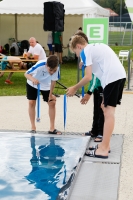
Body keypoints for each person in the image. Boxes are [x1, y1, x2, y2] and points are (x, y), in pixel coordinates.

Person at [67, 35, 126, 159]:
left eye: (76, 53)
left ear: (79, 46)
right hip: (117, 76)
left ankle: (103, 149)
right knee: (104, 108)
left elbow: (88, 77)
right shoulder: (96, 47)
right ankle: (105, 145)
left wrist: (74, 88)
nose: (77, 56)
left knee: (109, 112)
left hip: (112, 78)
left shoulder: (86, 51)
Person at [24, 55, 62, 134]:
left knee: (52, 103)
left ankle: (52, 128)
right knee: (31, 102)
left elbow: (53, 82)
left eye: (54, 70)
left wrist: (50, 95)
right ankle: (33, 127)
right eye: (50, 70)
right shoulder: (40, 65)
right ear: (46, 65)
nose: (52, 72)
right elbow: (26, 74)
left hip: (46, 85)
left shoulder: (56, 68)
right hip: (32, 83)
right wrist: (33, 79)